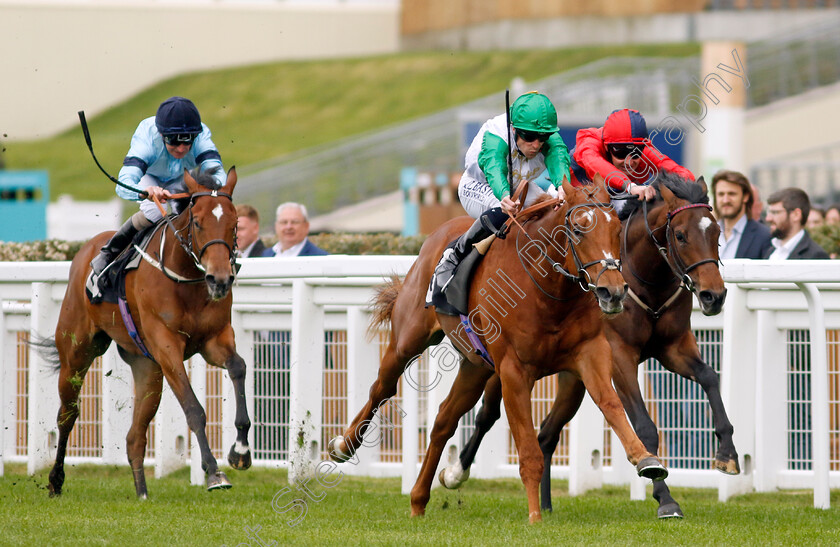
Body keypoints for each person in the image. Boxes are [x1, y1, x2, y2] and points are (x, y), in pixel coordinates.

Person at [436, 91, 571, 298]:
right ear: (514, 129)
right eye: (529, 137)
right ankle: (453, 255)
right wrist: (504, 196)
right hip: (480, 184)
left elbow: (559, 160)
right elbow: (494, 167)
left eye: (542, 137)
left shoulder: (545, 135)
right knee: (502, 211)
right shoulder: (497, 133)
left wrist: (563, 187)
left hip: (517, 186)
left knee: (552, 211)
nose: (536, 144)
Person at [87, 96, 225, 297]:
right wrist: (147, 192)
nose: (181, 148)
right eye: (174, 142)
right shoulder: (147, 139)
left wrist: (208, 188)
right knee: (153, 213)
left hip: (182, 177)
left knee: (194, 213)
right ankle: (108, 254)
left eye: (187, 142)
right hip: (149, 176)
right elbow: (124, 183)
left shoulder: (202, 134)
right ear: (161, 135)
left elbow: (217, 173)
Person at [568, 108, 694, 206]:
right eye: (621, 153)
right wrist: (630, 186)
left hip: (611, 195)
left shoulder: (644, 148)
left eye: (635, 154)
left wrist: (678, 188)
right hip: (564, 191)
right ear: (607, 147)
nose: (628, 162)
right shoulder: (589, 143)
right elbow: (594, 162)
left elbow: (681, 173)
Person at [712, 170, 772, 259]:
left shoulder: (764, 236)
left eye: (732, 194)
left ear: (745, 197)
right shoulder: (706, 235)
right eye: (721, 194)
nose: (725, 200)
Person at [762, 188, 830, 260]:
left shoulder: (815, 255)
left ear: (796, 215)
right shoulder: (772, 250)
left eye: (775, 212)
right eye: (769, 212)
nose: (768, 218)